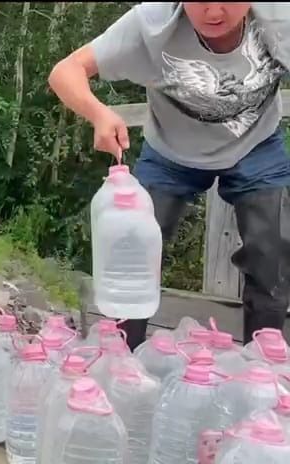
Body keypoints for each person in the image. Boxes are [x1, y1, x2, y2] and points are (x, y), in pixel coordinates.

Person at [48, 2, 290, 348]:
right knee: (129, 246)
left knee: (273, 253)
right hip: (170, 153)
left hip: (257, 147)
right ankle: (121, 358)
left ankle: (264, 364)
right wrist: (99, 115)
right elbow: (66, 71)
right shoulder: (151, 24)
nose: (214, 11)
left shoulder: (281, 18)